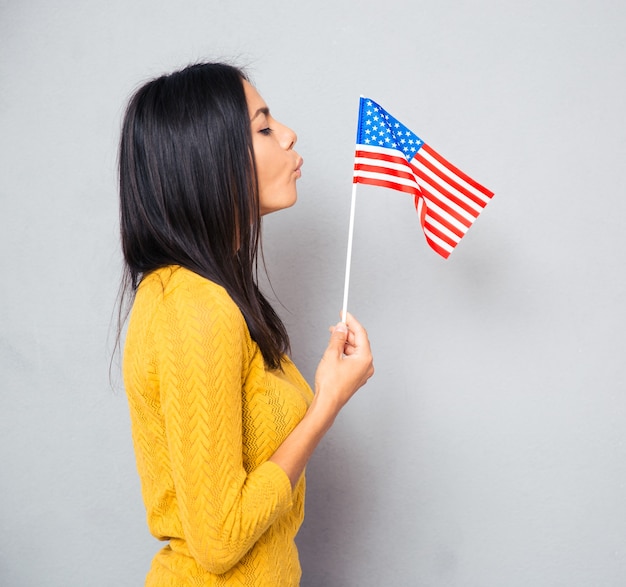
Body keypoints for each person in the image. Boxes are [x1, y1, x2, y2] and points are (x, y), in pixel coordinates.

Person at [118, 62, 374, 586]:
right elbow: (220, 540)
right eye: (263, 127)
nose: (288, 134)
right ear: (206, 162)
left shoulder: (211, 297)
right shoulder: (193, 305)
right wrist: (325, 404)